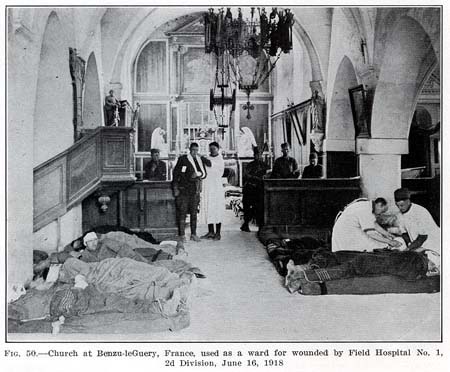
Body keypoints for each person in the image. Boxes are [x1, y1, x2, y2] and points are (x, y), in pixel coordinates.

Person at [394, 188, 440, 272]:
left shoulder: (420, 212)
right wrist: (408, 244)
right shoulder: (399, 215)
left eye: (402, 205)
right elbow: (404, 233)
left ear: (408, 201)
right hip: (417, 243)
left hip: (432, 242)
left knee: (431, 264)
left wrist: (409, 249)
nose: (400, 208)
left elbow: (423, 237)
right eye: (398, 206)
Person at [172, 143, 211, 242]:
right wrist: (175, 188)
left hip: (194, 191)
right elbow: (176, 173)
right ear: (189, 150)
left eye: (196, 150)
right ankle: (181, 235)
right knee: (182, 213)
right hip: (183, 190)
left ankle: (193, 234)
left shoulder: (198, 160)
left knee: (194, 213)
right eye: (193, 150)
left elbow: (204, 173)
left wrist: (198, 174)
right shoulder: (183, 159)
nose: (195, 152)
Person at [332, 197, 402, 252]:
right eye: (382, 211)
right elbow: (371, 233)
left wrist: (387, 234)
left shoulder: (368, 205)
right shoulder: (366, 210)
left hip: (348, 229)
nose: (381, 214)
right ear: (379, 205)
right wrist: (390, 242)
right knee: (372, 245)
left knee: (378, 242)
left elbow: (373, 224)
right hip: (345, 232)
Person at [200, 142, 226, 241]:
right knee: (208, 207)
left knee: (217, 208)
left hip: (216, 187)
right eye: (210, 148)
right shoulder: (207, 157)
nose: (211, 150)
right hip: (207, 186)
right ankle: (210, 231)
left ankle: (218, 233)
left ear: (218, 149)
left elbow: (210, 165)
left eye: (214, 148)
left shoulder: (220, 159)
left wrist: (202, 158)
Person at [241, 147, 269, 232]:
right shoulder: (250, 165)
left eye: (260, 155)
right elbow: (246, 176)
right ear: (254, 155)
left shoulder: (265, 165)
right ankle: (245, 224)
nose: (258, 156)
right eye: (257, 155)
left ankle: (260, 226)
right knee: (247, 207)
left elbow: (268, 174)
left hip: (259, 189)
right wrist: (257, 178)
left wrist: (265, 177)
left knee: (259, 208)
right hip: (249, 189)